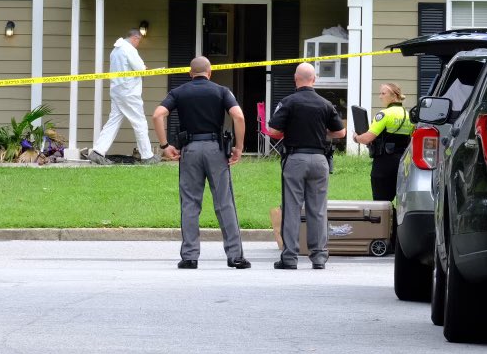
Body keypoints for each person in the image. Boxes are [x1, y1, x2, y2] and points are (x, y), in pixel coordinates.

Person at [152, 56, 251, 270]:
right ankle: (235, 256)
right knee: (224, 202)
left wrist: (164, 145)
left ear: (190, 73)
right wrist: (239, 148)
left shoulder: (179, 92)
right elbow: (239, 117)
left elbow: (158, 115)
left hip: (190, 150)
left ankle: (189, 256)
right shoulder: (222, 91)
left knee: (190, 203)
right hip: (216, 149)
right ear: (210, 72)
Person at [268, 62, 346, 270]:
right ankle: (319, 257)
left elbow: (273, 131)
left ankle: (290, 257)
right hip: (320, 160)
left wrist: (292, 131)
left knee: (292, 208)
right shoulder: (325, 104)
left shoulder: (288, 102)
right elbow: (340, 133)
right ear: (315, 79)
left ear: (295, 79)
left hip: (295, 159)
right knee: (318, 209)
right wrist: (322, 133)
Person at [89, 29, 159, 165]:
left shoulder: (115, 50)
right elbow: (140, 68)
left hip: (117, 90)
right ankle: (147, 156)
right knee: (140, 122)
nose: (138, 44)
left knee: (113, 121)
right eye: (139, 41)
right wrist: (144, 67)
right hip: (129, 92)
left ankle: (97, 152)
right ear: (135, 38)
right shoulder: (129, 49)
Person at [354, 83, 413, 202]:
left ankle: (386, 221)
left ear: (393, 96)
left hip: (384, 164)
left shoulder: (384, 114)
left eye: (383, 93)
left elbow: (367, 138)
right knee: (402, 202)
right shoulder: (409, 116)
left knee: (381, 202)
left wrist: (356, 138)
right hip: (403, 163)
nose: (380, 96)